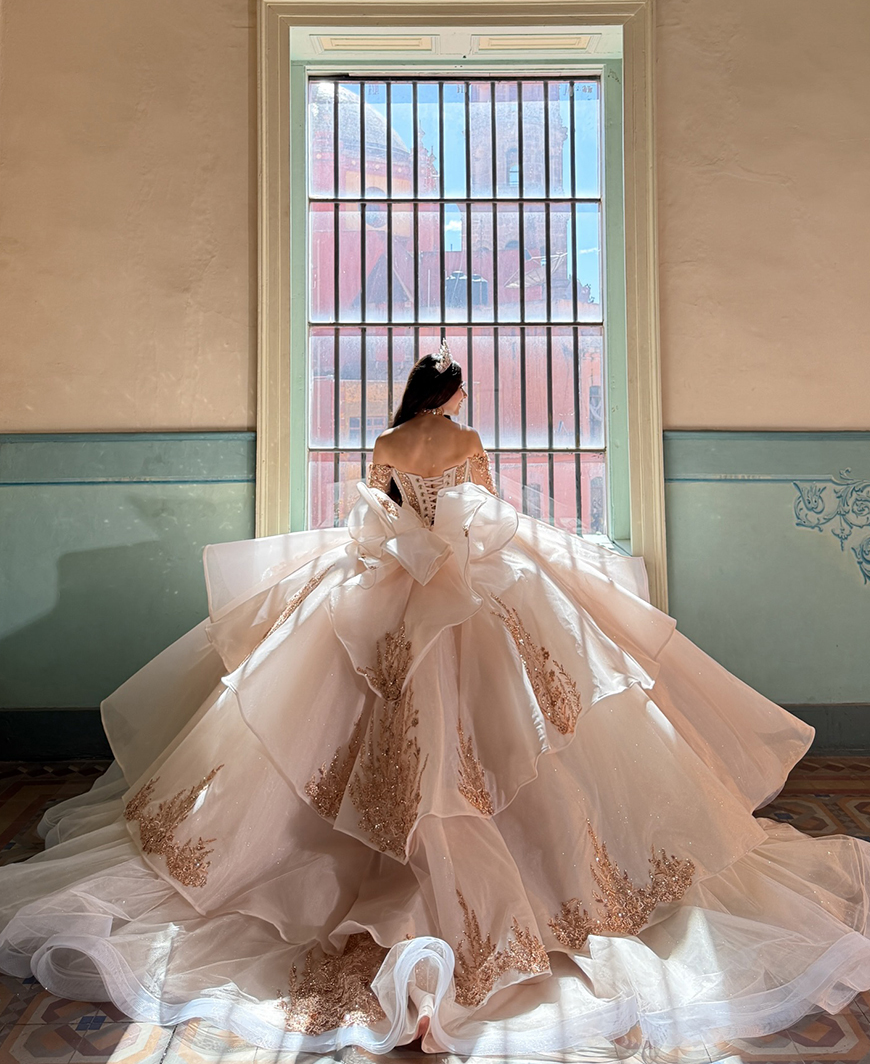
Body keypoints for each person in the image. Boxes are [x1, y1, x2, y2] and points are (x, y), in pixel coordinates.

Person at [1, 340, 870, 1060]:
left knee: (331, 728)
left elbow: (380, 515)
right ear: (450, 395)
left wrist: (409, 538)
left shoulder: (385, 442)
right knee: (513, 731)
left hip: (381, 586)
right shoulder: (464, 440)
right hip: (465, 589)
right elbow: (481, 509)